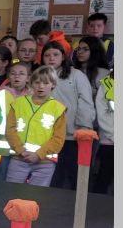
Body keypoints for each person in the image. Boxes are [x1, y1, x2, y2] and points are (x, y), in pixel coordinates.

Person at [40, 41, 95, 190]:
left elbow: (85, 101)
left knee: (74, 175)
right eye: (47, 55)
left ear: (63, 57)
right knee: (53, 177)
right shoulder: (39, 76)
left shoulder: (76, 75)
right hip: (46, 136)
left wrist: (84, 127)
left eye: (55, 54)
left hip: (72, 134)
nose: (51, 58)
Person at [5, 66, 67, 187]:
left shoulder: (58, 109)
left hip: (45, 163)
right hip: (19, 159)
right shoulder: (18, 104)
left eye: (45, 83)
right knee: (12, 192)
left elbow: (58, 138)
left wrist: (38, 155)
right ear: (31, 83)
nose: (41, 86)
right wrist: (21, 151)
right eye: (37, 82)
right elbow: (10, 130)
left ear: (53, 85)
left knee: (37, 195)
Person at [0, 62, 31, 180]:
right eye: (13, 73)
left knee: (20, 181)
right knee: (1, 178)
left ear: (28, 78)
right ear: (8, 77)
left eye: (21, 74)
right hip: (4, 148)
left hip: (23, 148)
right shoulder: (0, 95)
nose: (17, 76)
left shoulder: (32, 97)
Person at [91, 70, 114, 195]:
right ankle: (96, 205)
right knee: (104, 177)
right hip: (109, 141)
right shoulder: (106, 84)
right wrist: (113, 136)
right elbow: (102, 114)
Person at [71, 36, 110, 100]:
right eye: (79, 49)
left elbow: (105, 100)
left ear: (95, 52)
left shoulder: (103, 73)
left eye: (85, 49)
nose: (80, 52)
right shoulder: (72, 70)